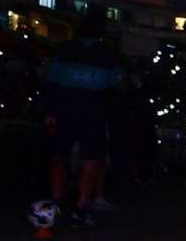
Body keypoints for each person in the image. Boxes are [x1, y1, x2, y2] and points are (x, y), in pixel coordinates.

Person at [43, 12, 123, 228]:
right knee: (91, 160)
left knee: (59, 156)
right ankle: (80, 209)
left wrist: (49, 112)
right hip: (94, 114)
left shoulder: (63, 50)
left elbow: (50, 83)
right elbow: (115, 89)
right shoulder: (109, 56)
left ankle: (55, 205)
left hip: (64, 111)